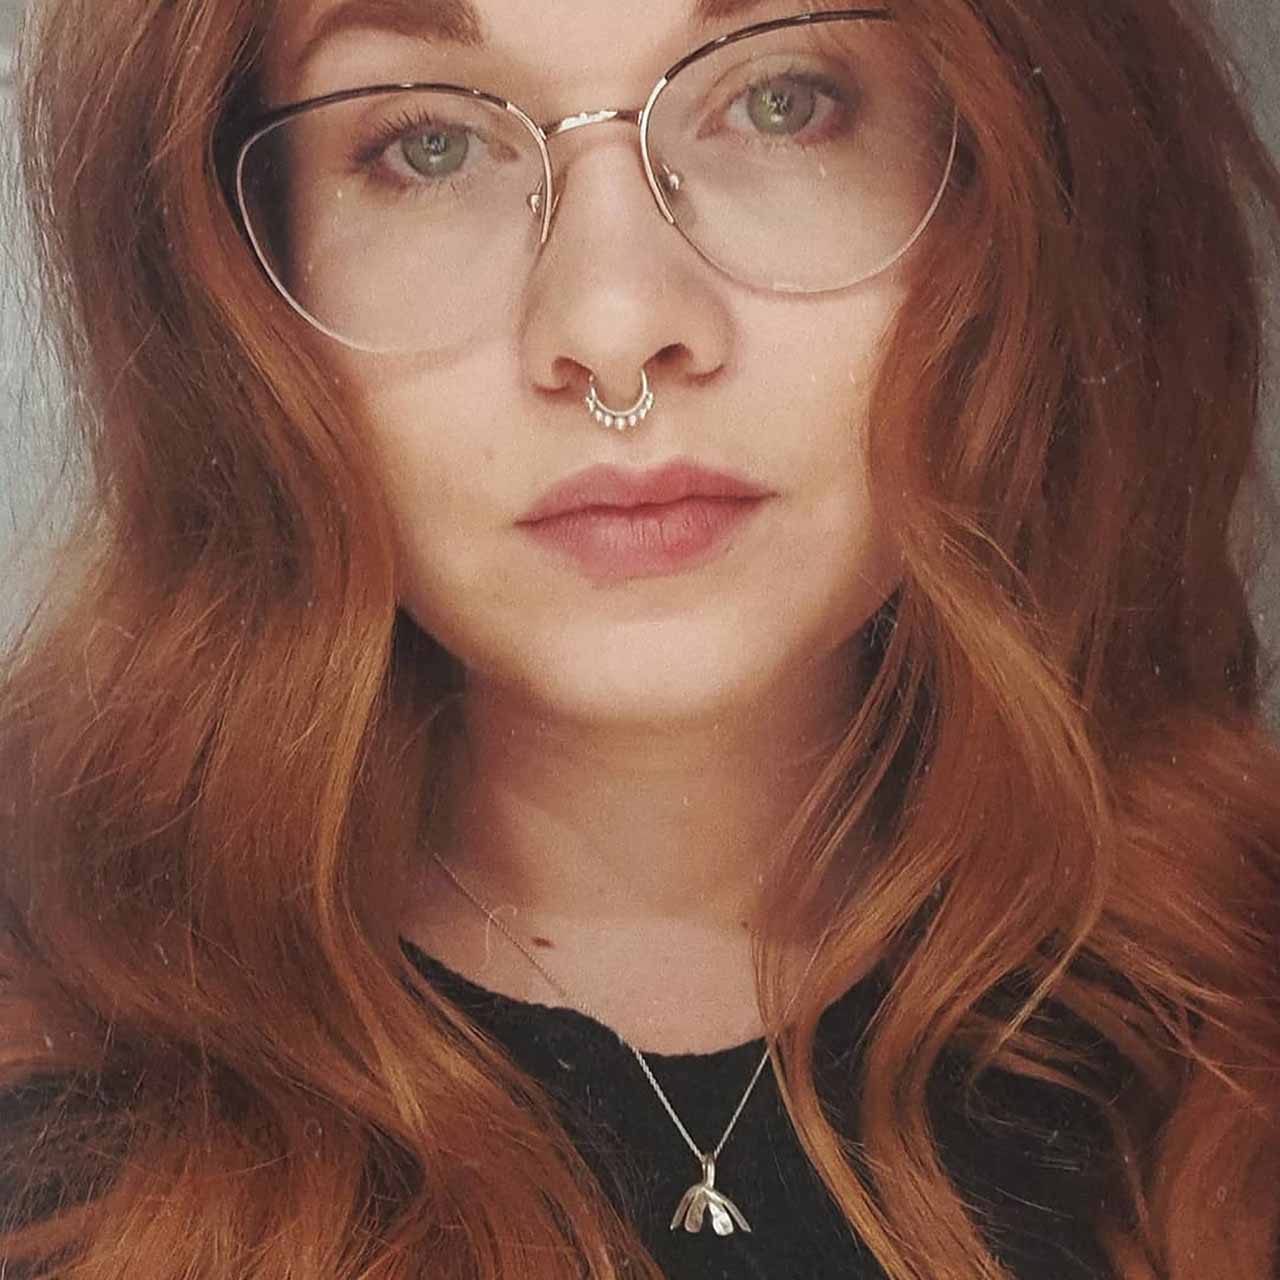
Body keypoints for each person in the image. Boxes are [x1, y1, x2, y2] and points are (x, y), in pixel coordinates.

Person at [2, 0, 1279, 1275]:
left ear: (1017, 180)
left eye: (780, 102)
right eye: (429, 147)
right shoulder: (51, 1084)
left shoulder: (1233, 1004)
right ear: (236, 274)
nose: (612, 329)